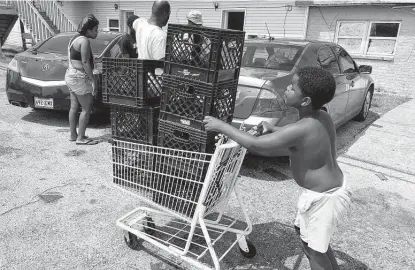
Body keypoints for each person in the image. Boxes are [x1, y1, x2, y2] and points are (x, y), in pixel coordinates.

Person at [203, 66, 352, 270]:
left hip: (323, 199)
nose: (287, 89)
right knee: (318, 244)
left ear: (305, 101)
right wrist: (273, 128)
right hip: (332, 190)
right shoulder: (321, 117)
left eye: (292, 87)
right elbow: (301, 136)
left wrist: (221, 126)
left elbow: (256, 145)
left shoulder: (300, 129)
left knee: (313, 251)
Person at [65, 14, 99, 145]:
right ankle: (81, 138)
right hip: (79, 77)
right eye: (95, 29)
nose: (97, 32)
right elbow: (85, 62)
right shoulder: (84, 41)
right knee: (86, 108)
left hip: (71, 75)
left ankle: (73, 135)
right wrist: (93, 80)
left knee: (74, 107)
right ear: (88, 30)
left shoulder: (74, 38)